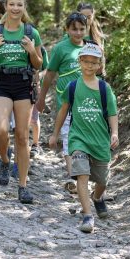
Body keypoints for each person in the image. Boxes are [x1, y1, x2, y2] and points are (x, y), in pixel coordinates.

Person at [0, 0, 43, 204]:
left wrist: (32, 51)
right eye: (12, 4)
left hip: (23, 84)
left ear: (24, 8)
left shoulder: (31, 32)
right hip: (2, 83)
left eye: (20, 5)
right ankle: (5, 160)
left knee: (23, 137)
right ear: (5, 6)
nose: (15, 8)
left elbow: (38, 64)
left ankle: (23, 186)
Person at [49, 43, 118, 233]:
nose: (89, 66)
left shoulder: (105, 89)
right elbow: (63, 112)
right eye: (85, 61)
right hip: (78, 139)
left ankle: (97, 198)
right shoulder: (72, 87)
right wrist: (55, 134)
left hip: (100, 140)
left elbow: (112, 113)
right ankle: (88, 215)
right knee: (82, 175)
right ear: (79, 62)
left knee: (103, 181)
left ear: (99, 65)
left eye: (93, 63)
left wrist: (114, 133)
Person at [36, 12, 88, 193]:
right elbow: (50, 74)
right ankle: (73, 176)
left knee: (86, 139)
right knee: (68, 138)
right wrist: (41, 97)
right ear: (67, 29)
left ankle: (85, 174)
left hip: (87, 104)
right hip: (66, 103)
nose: (79, 33)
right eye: (74, 29)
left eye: (82, 29)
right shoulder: (60, 48)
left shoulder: (90, 47)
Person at [30, 43, 49, 158]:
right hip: (19, 86)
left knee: (34, 117)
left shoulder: (41, 49)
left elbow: (47, 69)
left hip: (35, 89)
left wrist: (38, 77)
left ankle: (35, 144)